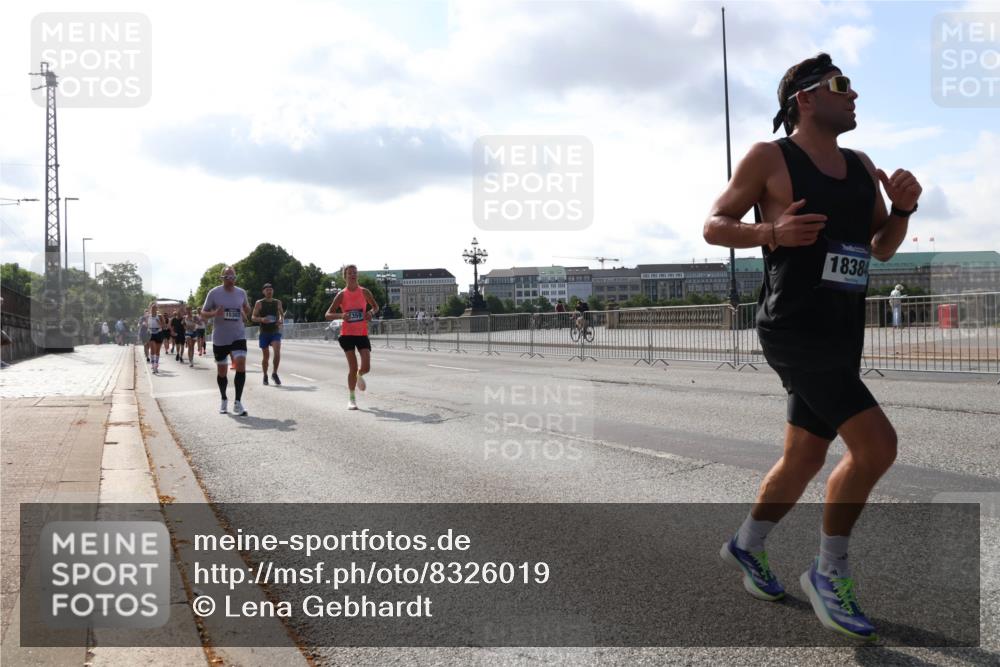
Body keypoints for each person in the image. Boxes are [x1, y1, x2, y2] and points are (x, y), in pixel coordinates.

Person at [704, 53, 921, 641]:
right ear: (805, 98)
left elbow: (881, 246)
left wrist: (903, 209)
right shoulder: (770, 158)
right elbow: (714, 224)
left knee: (803, 457)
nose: (854, 95)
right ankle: (829, 572)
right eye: (840, 85)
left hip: (842, 330)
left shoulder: (861, 165)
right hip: (793, 327)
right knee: (877, 446)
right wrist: (770, 232)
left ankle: (746, 544)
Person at [325, 264, 379, 410]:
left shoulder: (365, 292)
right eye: (349, 273)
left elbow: (376, 307)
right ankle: (352, 399)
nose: (353, 275)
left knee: (366, 366)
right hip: (347, 334)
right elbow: (328, 314)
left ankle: (359, 375)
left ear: (357, 275)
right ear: (345, 277)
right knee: (353, 367)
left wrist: (371, 313)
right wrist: (342, 315)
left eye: (355, 272)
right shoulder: (341, 295)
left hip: (362, 333)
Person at [202, 266, 251, 416]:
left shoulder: (241, 292)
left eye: (233, 277)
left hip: (238, 335)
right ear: (222, 278)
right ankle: (224, 399)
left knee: (240, 364)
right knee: (222, 371)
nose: (231, 279)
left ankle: (238, 402)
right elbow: (203, 313)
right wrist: (214, 313)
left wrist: (244, 311)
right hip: (221, 338)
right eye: (228, 277)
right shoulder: (214, 293)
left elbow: (247, 308)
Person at [251, 283, 285, 385]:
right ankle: (265, 375)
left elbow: (282, 315)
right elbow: (253, 317)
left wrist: (280, 320)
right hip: (264, 332)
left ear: (273, 291)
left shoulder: (277, 302)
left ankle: (274, 373)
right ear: (263, 292)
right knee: (266, 357)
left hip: (275, 331)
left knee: (277, 352)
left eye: (271, 290)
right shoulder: (259, 303)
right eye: (267, 290)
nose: (269, 291)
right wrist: (262, 319)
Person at [145, 302, 166, 374]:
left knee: (157, 351)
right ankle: (153, 365)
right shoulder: (148, 316)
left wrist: (159, 323)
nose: (153, 309)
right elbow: (146, 325)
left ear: (157, 309)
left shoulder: (159, 316)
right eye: (152, 308)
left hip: (159, 333)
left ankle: (156, 364)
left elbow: (164, 326)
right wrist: (147, 327)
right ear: (150, 309)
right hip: (151, 334)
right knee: (152, 349)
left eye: (155, 308)